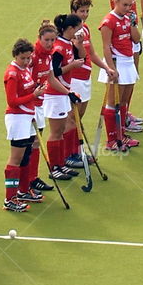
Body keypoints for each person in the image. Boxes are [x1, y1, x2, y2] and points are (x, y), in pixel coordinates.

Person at [68, 0, 117, 166]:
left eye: (87, 11)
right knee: (72, 120)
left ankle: (76, 152)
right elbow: (78, 53)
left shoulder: (86, 29)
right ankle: (70, 155)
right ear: (73, 11)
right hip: (74, 80)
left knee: (78, 118)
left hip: (85, 80)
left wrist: (106, 68)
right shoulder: (71, 31)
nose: (85, 14)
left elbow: (93, 54)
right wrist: (78, 42)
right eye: (82, 11)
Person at [2, 38, 45, 211]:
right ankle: (9, 199)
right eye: (23, 58)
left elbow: (27, 90)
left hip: (27, 117)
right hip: (17, 119)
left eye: (29, 58)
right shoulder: (12, 73)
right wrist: (34, 95)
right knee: (15, 159)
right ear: (15, 55)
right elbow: (12, 101)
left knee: (26, 155)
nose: (27, 61)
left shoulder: (25, 70)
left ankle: (23, 190)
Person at [98, 0, 142, 149]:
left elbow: (136, 39)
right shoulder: (108, 21)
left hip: (128, 61)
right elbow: (106, 47)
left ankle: (121, 136)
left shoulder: (127, 18)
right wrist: (110, 69)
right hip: (116, 63)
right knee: (113, 103)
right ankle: (111, 141)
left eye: (130, 5)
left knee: (123, 102)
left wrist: (132, 23)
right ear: (115, 1)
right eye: (124, 5)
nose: (127, 8)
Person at [42, 15, 86, 179]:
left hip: (63, 92)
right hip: (55, 95)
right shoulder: (59, 47)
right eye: (78, 27)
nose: (80, 31)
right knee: (56, 132)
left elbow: (83, 57)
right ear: (70, 29)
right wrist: (72, 66)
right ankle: (54, 168)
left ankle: (61, 164)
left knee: (60, 131)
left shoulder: (68, 44)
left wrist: (79, 44)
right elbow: (54, 72)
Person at [109, 0, 143, 133]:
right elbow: (118, 16)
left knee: (132, 80)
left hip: (133, 36)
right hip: (124, 41)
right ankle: (121, 121)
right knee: (125, 84)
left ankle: (125, 114)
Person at [30, 22, 59, 192]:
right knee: (32, 143)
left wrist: (68, 92)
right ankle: (27, 182)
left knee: (36, 142)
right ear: (39, 38)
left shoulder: (49, 55)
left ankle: (33, 178)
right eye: (46, 40)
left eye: (52, 40)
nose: (49, 43)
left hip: (40, 104)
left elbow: (51, 78)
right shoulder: (32, 56)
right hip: (30, 105)